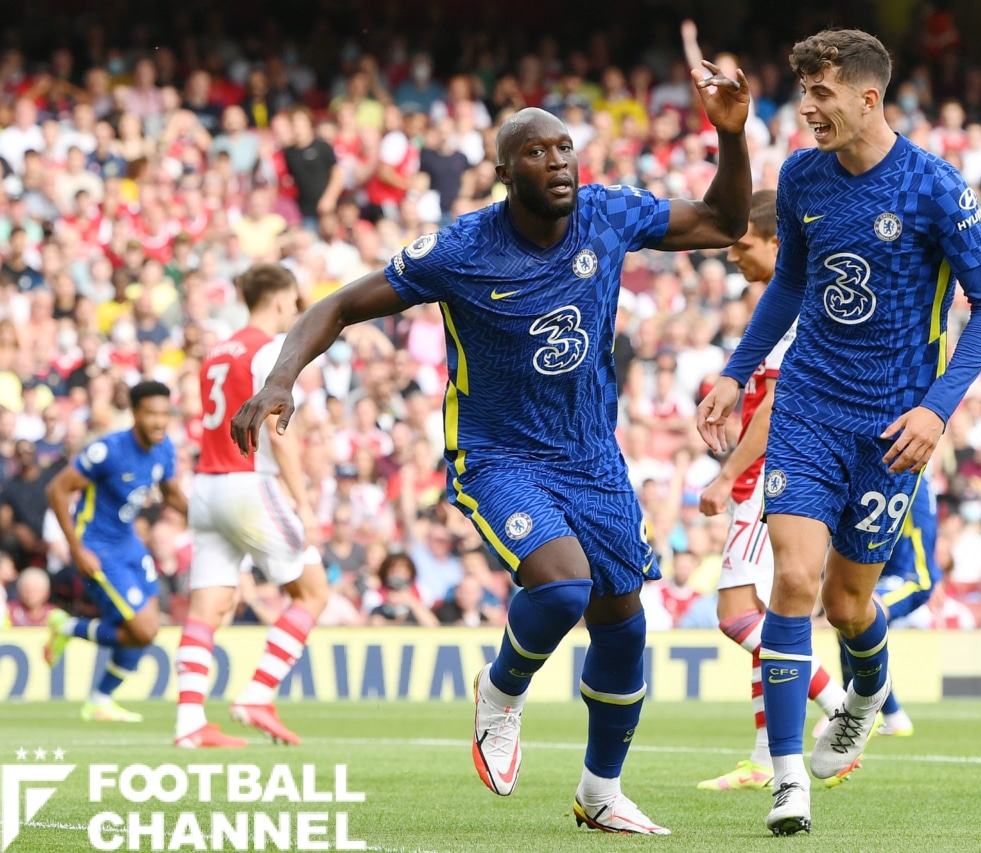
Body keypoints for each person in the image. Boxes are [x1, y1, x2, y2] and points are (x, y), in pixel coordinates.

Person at [231, 63, 752, 835]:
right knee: (564, 588)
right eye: (537, 152)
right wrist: (280, 378)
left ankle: (600, 791)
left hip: (591, 455)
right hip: (498, 454)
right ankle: (501, 691)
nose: (559, 162)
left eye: (565, 148)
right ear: (505, 173)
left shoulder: (607, 215)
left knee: (624, 620)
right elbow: (338, 305)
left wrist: (732, 135)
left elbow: (723, 222)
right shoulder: (460, 249)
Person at [697, 29, 981, 836]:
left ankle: (866, 693)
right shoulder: (802, 176)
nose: (807, 107)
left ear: (869, 98)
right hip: (808, 408)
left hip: (893, 426)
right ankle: (787, 778)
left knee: (847, 603)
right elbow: (790, 282)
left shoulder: (936, 188)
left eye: (821, 93)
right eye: (803, 92)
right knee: (795, 579)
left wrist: (937, 408)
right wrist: (737, 371)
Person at [696, 189, 846, 793]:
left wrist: (727, 474)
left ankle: (841, 706)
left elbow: (781, 400)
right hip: (768, 475)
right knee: (762, 617)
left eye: (742, 244)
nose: (732, 255)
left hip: (771, 476)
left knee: (737, 616)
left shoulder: (797, 304)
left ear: (777, 243)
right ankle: (764, 758)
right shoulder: (782, 302)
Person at [174, 263, 330, 749]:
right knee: (313, 592)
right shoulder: (270, 350)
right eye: (294, 300)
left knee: (207, 608)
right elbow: (278, 432)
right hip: (248, 485)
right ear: (281, 299)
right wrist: (303, 503)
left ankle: (189, 723)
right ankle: (257, 695)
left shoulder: (217, 352)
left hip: (207, 487)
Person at [43, 381, 186, 722]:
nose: (159, 421)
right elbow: (57, 490)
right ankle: (67, 628)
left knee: (146, 629)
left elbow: (171, 493)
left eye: (164, 414)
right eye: (151, 414)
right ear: (134, 413)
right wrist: (75, 548)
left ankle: (99, 700)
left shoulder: (164, 447)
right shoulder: (108, 450)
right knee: (144, 630)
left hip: (129, 543)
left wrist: (207, 521)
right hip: (97, 547)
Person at [849, 478, 943, 740]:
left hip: (913, 578)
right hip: (886, 576)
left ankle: (857, 710)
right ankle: (890, 714)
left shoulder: (910, 475)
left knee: (858, 614)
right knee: (847, 616)